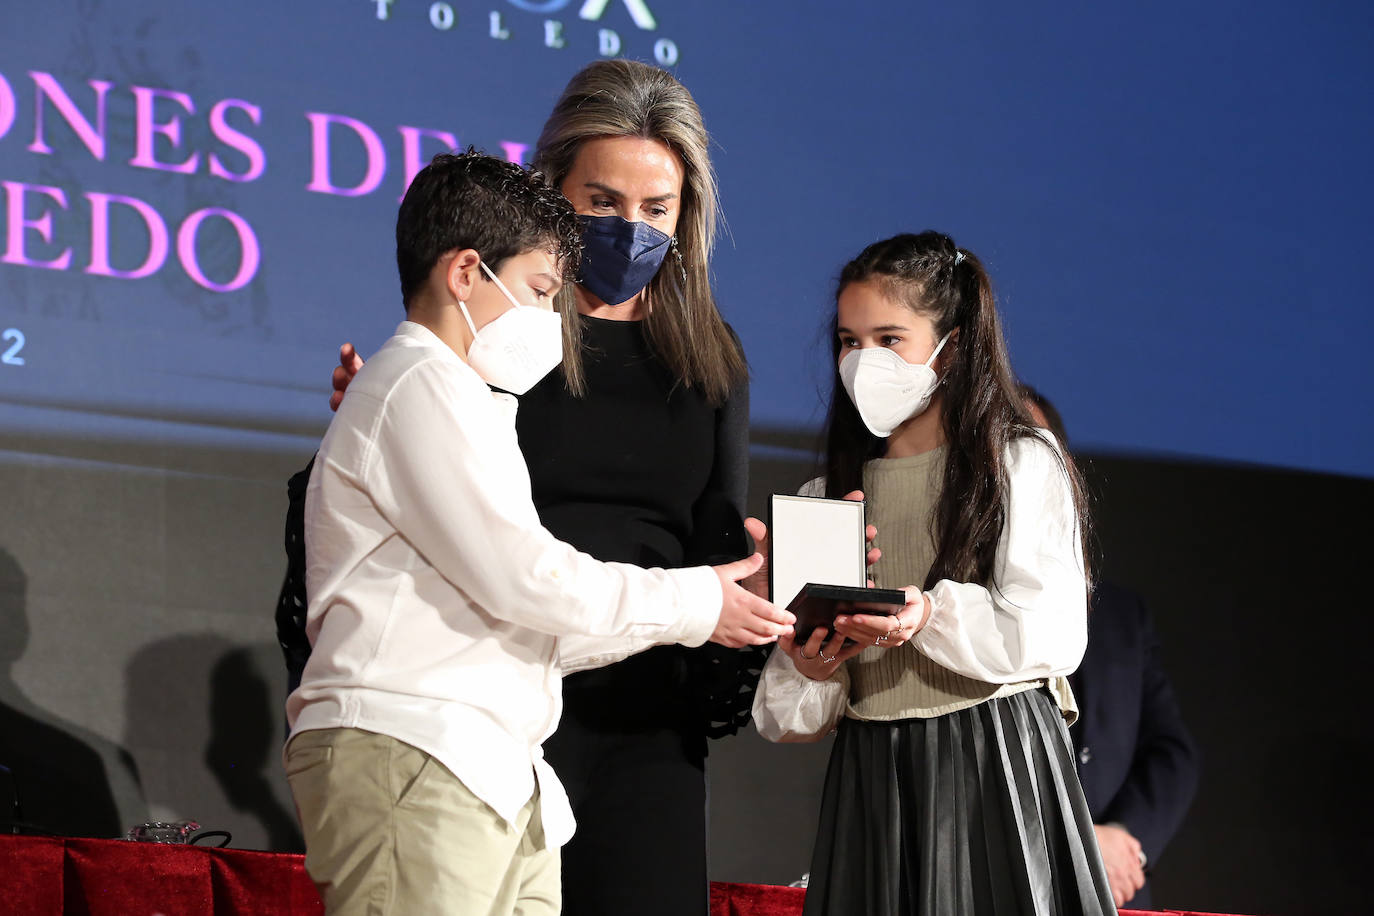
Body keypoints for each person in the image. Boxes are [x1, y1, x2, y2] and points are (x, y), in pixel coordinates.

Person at [277, 61, 762, 915]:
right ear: (551, 197)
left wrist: (765, 592)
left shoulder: (708, 357)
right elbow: (504, 565)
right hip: (472, 699)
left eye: (657, 210)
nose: (630, 230)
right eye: (603, 202)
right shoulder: (488, 346)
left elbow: (717, 545)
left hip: (623, 697)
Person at [753, 231, 1117, 915]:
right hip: (874, 774)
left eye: (890, 340)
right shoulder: (825, 496)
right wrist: (808, 659)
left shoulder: (1019, 462)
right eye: (848, 341)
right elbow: (788, 717)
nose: (863, 362)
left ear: (953, 345)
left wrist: (929, 615)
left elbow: (1052, 632)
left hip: (992, 761)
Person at [1021, 384, 1201, 910]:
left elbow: (1171, 752)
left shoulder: (1122, 613)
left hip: (1112, 891)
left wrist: (1125, 838)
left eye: (1034, 451)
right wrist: (1076, 842)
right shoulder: (939, 607)